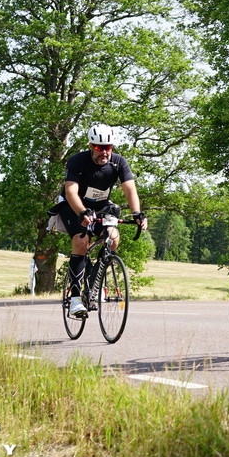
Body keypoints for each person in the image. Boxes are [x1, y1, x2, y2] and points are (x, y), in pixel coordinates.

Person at [56, 124, 148, 317]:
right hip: (73, 205)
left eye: (108, 147)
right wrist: (82, 212)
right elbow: (71, 191)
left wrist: (137, 213)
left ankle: (93, 284)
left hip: (100, 206)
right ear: (90, 146)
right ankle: (75, 299)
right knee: (81, 241)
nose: (104, 152)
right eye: (99, 147)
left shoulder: (119, 162)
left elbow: (130, 189)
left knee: (113, 239)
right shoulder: (77, 161)